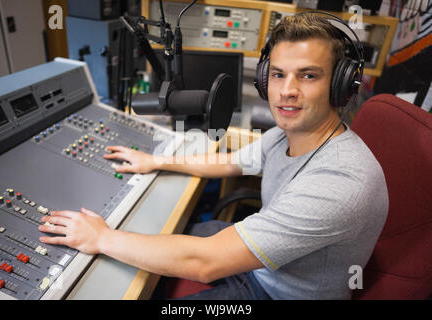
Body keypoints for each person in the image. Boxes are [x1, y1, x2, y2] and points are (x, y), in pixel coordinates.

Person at [38, 13, 388, 300]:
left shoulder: (339, 182)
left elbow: (206, 263)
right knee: (157, 232)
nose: (288, 91)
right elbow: (229, 162)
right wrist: (157, 162)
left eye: (308, 76)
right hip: (262, 263)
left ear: (342, 85)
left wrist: (100, 238)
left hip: (274, 293)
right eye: (279, 75)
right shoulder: (286, 134)